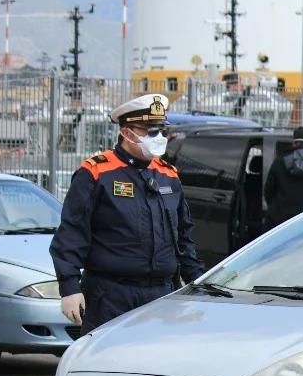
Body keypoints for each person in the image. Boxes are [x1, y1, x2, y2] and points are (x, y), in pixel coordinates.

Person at [50, 93, 204, 334]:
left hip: (161, 294)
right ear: (126, 131)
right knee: (106, 365)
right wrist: (69, 287)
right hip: (110, 295)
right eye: (149, 131)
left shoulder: (168, 175)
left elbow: (183, 237)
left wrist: (198, 284)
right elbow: (72, 233)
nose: (158, 137)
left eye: (161, 130)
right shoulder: (96, 173)